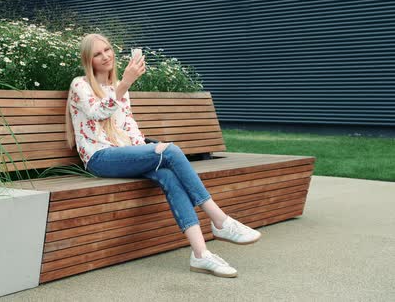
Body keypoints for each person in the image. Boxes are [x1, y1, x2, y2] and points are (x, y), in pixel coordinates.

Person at [64, 33, 261, 278]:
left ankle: (201, 254)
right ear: (88, 60)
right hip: (100, 158)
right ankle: (219, 220)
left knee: (168, 172)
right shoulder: (79, 84)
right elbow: (96, 114)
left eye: (107, 50)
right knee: (170, 150)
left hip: (125, 154)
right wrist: (125, 83)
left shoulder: (117, 87)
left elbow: (129, 127)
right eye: (97, 54)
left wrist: (146, 150)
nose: (105, 56)